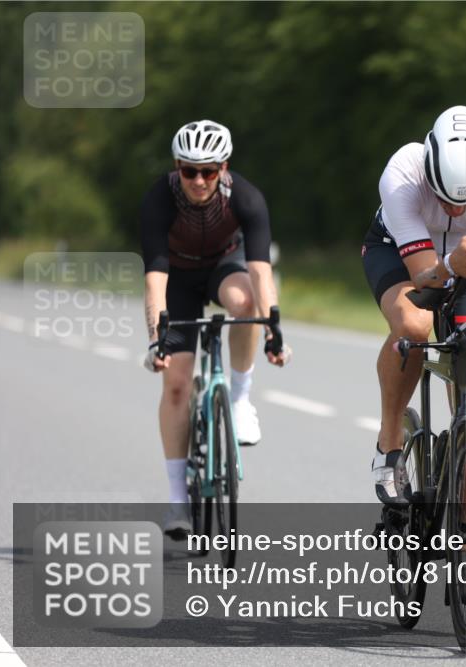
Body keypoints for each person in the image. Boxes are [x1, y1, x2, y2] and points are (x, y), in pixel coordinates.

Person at [362, 105, 466, 505]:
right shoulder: (402, 172)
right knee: (414, 326)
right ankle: (389, 441)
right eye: (444, 199)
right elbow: (423, 276)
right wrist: (452, 263)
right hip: (400, 254)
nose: (455, 211)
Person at [140, 119, 290, 537]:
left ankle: (239, 399)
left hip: (225, 268)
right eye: (190, 171)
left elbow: (261, 273)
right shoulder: (159, 199)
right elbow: (154, 278)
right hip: (177, 278)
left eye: (209, 171)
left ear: (224, 167)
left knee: (246, 303)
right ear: (177, 167)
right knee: (176, 384)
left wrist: (274, 328)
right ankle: (177, 504)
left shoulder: (246, 197)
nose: (200, 180)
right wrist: (156, 338)